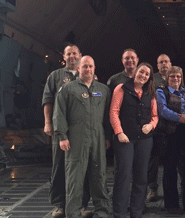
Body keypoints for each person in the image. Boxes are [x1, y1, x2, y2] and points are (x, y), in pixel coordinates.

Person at [53, 56, 111, 218]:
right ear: (78, 68)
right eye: (85, 66)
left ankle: (103, 212)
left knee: (99, 175)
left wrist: (108, 137)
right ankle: (73, 213)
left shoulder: (103, 90)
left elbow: (108, 116)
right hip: (76, 138)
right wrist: (62, 136)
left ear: (94, 68)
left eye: (91, 66)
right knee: (75, 178)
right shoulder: (68, 89)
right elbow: (59, 114)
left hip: (98, 138)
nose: (88, 69)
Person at [42, 44, 91, 218]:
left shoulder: (87, 74)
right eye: (68, 54)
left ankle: (82, 205)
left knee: (82, 166)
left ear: (80, 55)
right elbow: (48, 100)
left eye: (75, 53)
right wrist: (48, 123)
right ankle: (59, 205)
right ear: (63, 56)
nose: (72, 56)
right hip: (60, 129)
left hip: (81, 130)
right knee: (59, 166)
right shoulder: (55, 76)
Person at [109, 62, 159, 218]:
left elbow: (155, 116)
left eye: (147, 74)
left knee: (141, 176)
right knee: (123, 176)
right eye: (141, 72)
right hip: (125, 139)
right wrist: (119, 132)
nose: (143, 76)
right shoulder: (121, 88)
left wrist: (151, 126)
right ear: (136, 71)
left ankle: (136, 212)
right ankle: (119, 213)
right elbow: (114, 112)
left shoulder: (150, 92)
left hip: (144, 140)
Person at [157, 66, 185, 214]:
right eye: (172, 76)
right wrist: (180, 118)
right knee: (170, 171)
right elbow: (162, 110)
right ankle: (171, 205)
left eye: (178, 76)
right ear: (167, 78)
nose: (175, 79)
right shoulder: (161, 91)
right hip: (170, 134)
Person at [147, 53, 172, 202]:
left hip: (172, 123)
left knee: (175, 158)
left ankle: (182, 186)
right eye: (161, 62)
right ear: (157, 65)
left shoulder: (175, 76)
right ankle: (152, 189)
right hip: (156, 123)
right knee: (153, 159)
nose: (164, 64)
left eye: (166, 61)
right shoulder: (152, 79)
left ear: (170, 63)